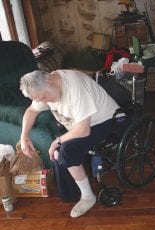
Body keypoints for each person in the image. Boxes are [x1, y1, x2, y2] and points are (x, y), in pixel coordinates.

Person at [19, 69, 121, 218]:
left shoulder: (74, 87)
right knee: (57, 153)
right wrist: (24, 136)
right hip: (80, 125)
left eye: (44, 98)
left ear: (49, 82)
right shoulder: (45, 87)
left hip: (106, 121)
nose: (44, 102)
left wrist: (59, 140)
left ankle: (88, 196)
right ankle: (73, 193)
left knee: (66, 150)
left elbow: (83, 130)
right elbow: (31, 111)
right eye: (41, 100)